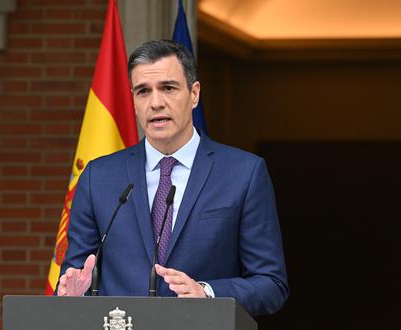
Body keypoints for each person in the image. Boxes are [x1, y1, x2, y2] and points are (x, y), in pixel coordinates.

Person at [56, 40, 289, 317]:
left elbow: (271, 284)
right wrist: (73, 292)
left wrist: (206, 292)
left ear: (194, 94)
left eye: (168, 88)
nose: (156, 103)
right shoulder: (99, 177)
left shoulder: (243, 173)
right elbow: (77, 273)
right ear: (132, 100)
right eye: (143, 91)